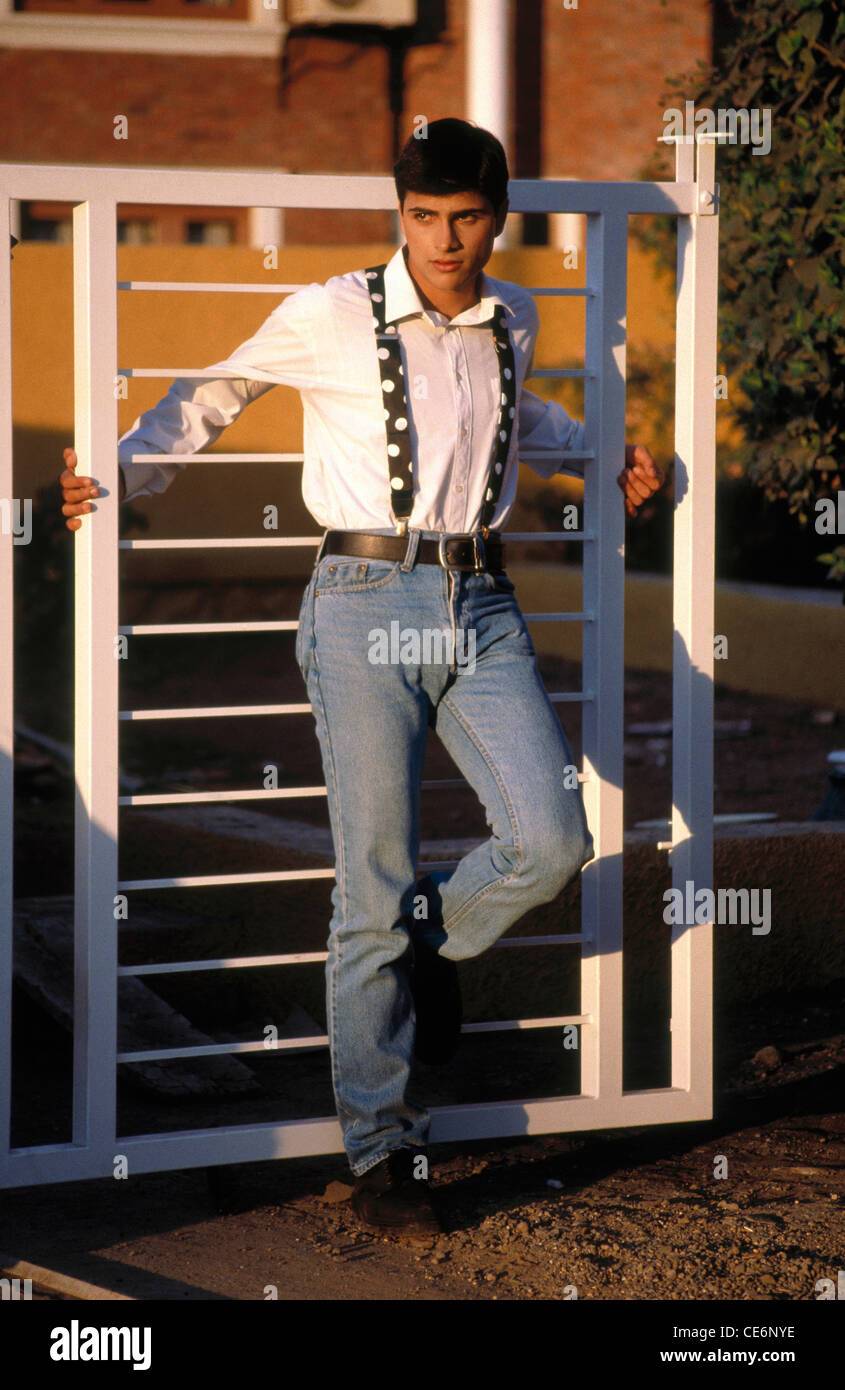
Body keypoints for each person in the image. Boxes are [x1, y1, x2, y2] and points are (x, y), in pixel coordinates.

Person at [59, 118, 664, 1236]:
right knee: (368, 888)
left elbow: (520, 417)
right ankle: (384, 1147)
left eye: (466, 217)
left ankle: (436, 937)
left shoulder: (511, 317)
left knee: (551, 839)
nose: (444, 238)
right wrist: (117, 472)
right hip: (360, 600)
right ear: (401, 211)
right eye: (424, 215)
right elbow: (217, 389)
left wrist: (604, 454)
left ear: (496, 219)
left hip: (480, 603)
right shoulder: (331, 311)